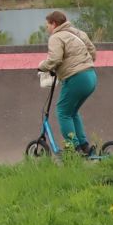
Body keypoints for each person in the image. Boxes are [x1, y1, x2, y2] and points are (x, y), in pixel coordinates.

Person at [38, 9, 98, 155]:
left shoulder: (56, 37)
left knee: (63, 112)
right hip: (90, 76)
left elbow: (55, 59)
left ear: (54, 23)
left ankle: (72, 148)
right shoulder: (79, 33)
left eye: (48, 25)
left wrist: (41, 66)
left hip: (76, 78)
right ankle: (84, 146)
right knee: (72, 112)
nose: (47, 28)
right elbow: (93, 52)